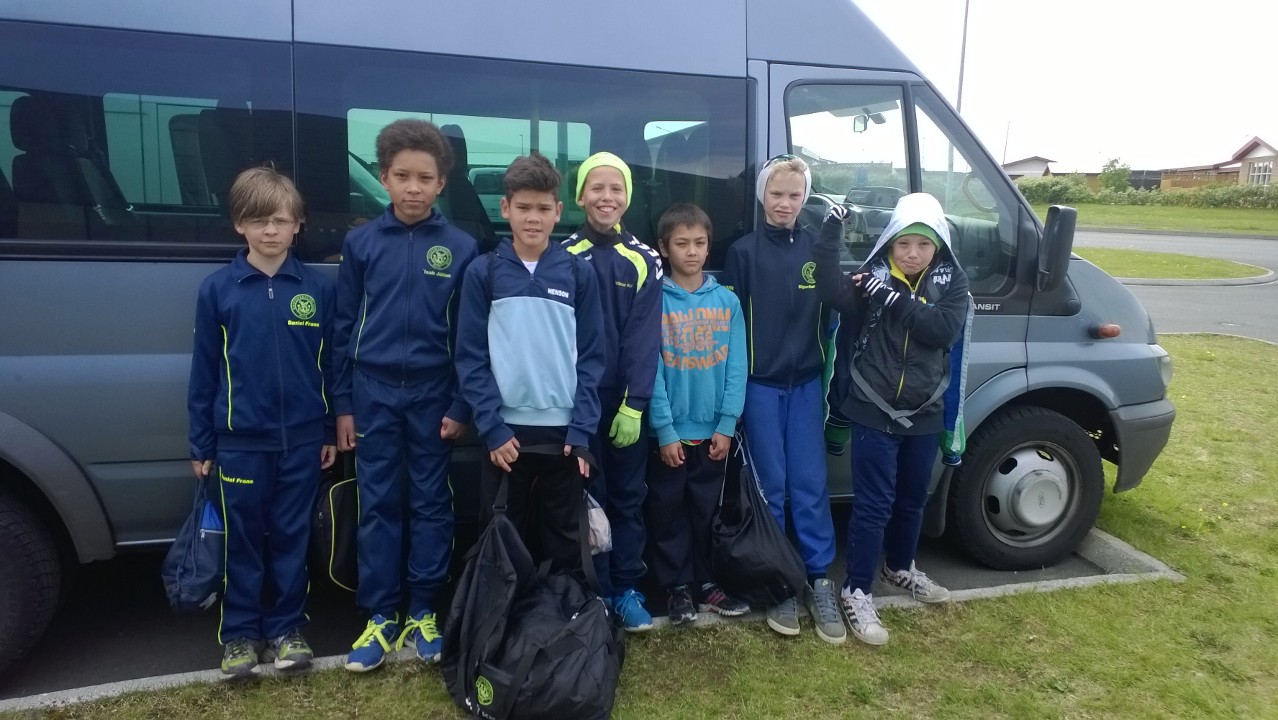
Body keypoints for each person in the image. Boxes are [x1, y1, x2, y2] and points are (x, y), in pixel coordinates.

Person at [332, 119, 478, 672]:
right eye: (402, 176)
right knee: (378, 503)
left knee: (431, 502)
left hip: (433, 394)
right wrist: (343, 405)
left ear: (441, 183)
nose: (413, 188)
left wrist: (460, 405)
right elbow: (342, 328)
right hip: (371, 393)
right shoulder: (361, 243)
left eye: (424, 178)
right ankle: (380, 615)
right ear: (384, 178)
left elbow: (469, 337)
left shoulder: (461, 247)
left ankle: (423, 611)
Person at [187, 166, 337, 677]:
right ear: (239, 225)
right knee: (244, 540)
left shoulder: (316, 289)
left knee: (291, 537)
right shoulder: (218, 290)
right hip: (239, 444)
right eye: (258, 221)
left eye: (280, 220)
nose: (270, 231)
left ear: (297, 225)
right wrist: (202, 443)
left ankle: (287, 630)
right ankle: (239, 636)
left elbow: (330, 365)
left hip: (302, 441)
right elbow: (204, 371)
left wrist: (326, 430)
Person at [815, 193, 972, 646]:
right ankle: (857, 590)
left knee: (913, 498)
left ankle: (900, 567)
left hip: (925, 410)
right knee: (873, 504)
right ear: (890, 242)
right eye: (904, 243)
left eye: (923, 244)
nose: (913, 253)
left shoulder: (953, 281)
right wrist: (830, 233)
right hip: (873, 407)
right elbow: (829, 290)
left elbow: (942, 330)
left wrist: (891, 298)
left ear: (938, 245)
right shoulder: (870, 278)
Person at [456, 151, 605, 572]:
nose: (533, 218)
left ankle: (563, 609)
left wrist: (582, 430)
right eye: (523, 208)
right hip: (505, 432)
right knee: (502, 536)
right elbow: (470, 357)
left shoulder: (578, 273)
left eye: (542, 208)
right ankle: (502, 612)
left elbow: (593, 358)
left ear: (558, 211)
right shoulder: (483, 272)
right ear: (505, 208)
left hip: (564, 433)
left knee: (564, 538)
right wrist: (491, 426)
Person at [721, 154, 846, 644]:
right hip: (761, 386)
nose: (785, 203)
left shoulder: (818, 248)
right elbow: (733, 328)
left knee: (811, 483)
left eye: (795, 195)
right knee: (770, 486)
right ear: (762, 196)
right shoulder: (743, 252)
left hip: (808, 383)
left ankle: (817, 578)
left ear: (805, 198)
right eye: (776, 194)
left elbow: (839, 304)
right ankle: (779, 581)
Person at [562, 152, 662, 631]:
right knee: (585, 497)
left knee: (625, 498)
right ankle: (593, 591)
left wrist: (634, 405)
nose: (607, 197)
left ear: (628, 197)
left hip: (623, 403)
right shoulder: (563, 255)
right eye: (596, 188)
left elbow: (645, 338)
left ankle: (625, 588)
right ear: (580, 196)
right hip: (578, 403)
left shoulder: (644, 259)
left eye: (616, 188)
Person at [644, 203, 751, 626]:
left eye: (699, 243)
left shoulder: (727, 302)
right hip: (670, 435)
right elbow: (649, 369)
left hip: (713, 435)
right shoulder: (654, 301)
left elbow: (737, 367)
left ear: (709, 248)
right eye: (681, 243)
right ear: (663, 248)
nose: (691, 251)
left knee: (706, 511)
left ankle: (707, 584)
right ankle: (676, 588)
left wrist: (726, 424)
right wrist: (664, 430)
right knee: (668, 511)